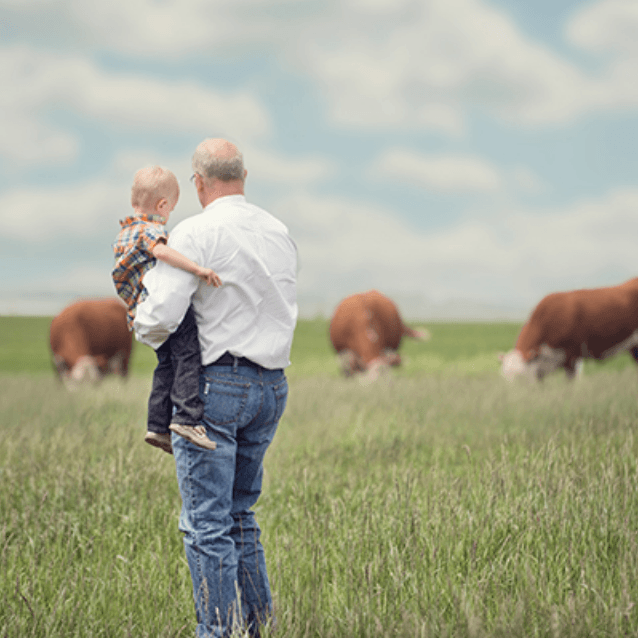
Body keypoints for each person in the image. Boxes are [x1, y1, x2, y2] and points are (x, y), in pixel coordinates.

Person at [134, 139, 298, 638]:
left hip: (213, 389)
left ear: (198, 183)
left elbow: (159, 317)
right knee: (239, 516)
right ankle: (257, 626)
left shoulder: (195, 230)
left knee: (206, 526)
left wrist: (139, 321)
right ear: (243, 176)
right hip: (271, 387)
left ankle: (218, 633)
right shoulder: (279, 231)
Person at [112, 165, 221, 454]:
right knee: (189, 353)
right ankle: (187, 418)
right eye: (170, 209)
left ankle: (157, 426)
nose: (169, 215)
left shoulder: (125, 232)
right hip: (161, 305)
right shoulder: (150, 229)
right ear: (162, 205)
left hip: (140, 313)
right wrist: (197, 268)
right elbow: (161, 251)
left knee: (167, 364)